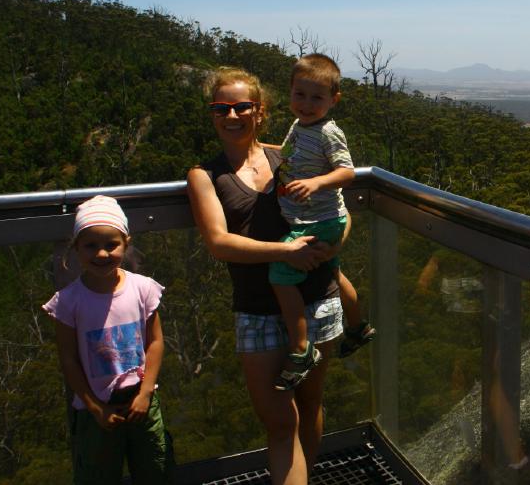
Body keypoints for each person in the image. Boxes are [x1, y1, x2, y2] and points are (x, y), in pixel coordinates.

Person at [186, 67, 342, 485]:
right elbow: (219, 243)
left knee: (310, 405)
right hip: (257, 312)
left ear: (260, 111)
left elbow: (335, 207)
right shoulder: (205, 176)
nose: (231, 115)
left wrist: (333, 244)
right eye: (220, 108)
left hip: (316, 299)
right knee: (280, 422)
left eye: (242, 107)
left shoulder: (288, 156)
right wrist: (287, 252)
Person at [43, 195, 173, 484]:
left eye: (111, 245)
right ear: (76, 247)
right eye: (91, 245)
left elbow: (155, 341)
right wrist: (94, 407)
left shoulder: (142, 289)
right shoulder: (68, 302)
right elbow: (68, 358)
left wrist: (145, 393)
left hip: (142, 400)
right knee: (98, 475)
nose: (101, 254)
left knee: (155, 469)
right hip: (95, 410)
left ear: (126, 243)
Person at [269, 53, 375, 391]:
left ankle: (301, 349)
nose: (307, 104)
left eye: (317, 97)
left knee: (280, 274)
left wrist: (316, 183)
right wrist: (256, 147)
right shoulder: (299, 126)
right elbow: (288, 154)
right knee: (332, 272)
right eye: (300, 94)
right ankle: (358, 327)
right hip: (315, 217)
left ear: (334, 100)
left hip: (318, 220)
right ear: (290, 92)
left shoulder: (329, 132)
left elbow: (347, 172)